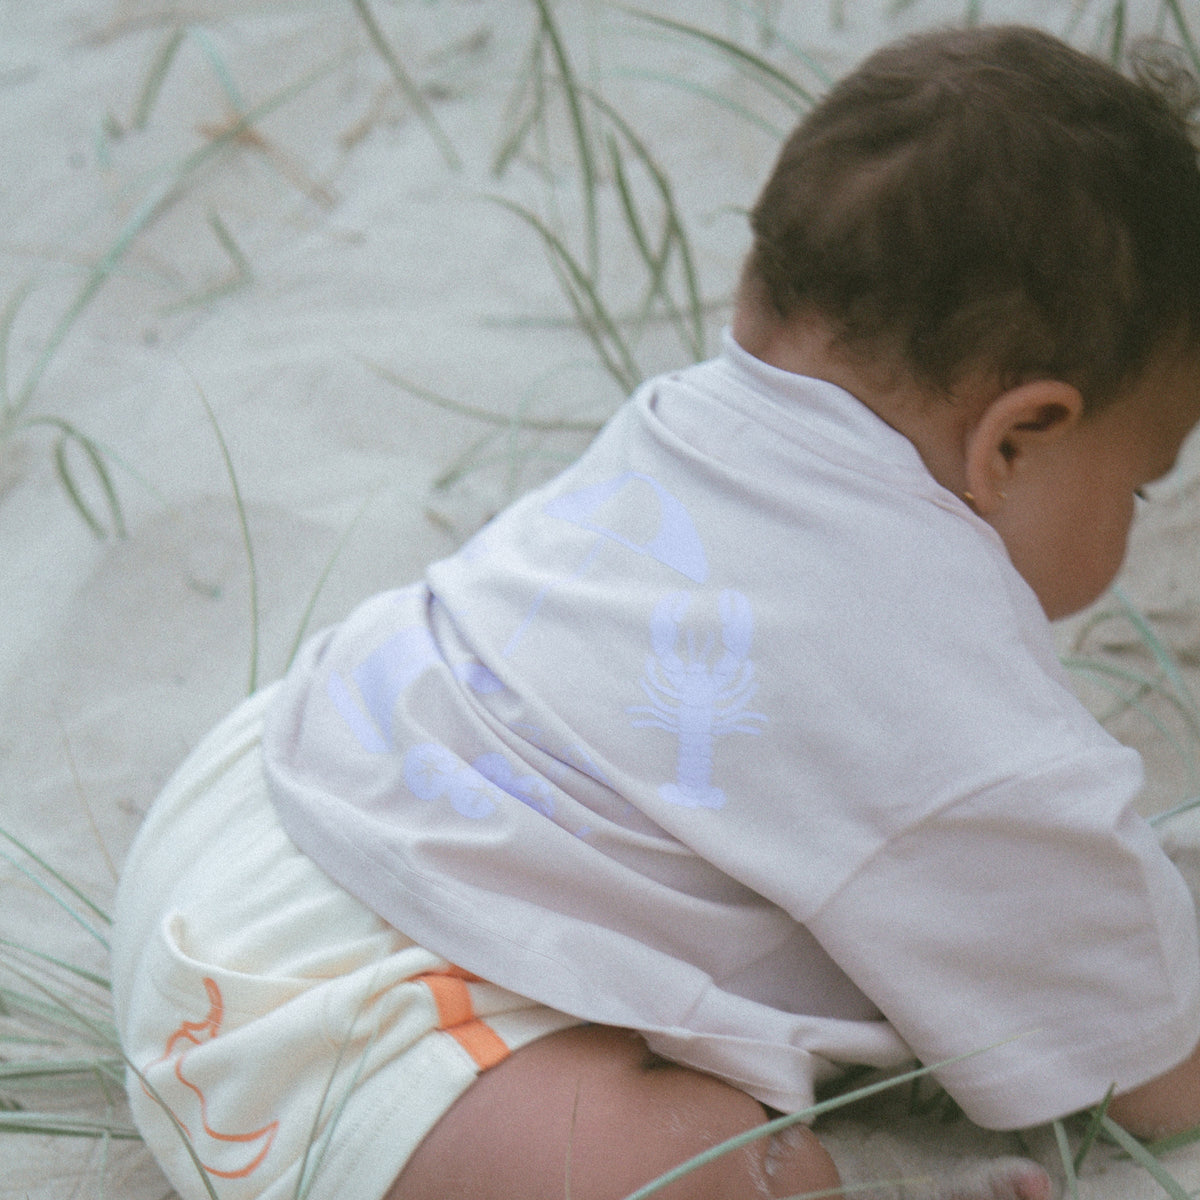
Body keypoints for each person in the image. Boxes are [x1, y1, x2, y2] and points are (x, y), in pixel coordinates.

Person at [112, 24, 1200, 1200]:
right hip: (362, 1010)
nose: (1134, 518)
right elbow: (1148, 1066)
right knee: (697, 1171)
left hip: (255, 816)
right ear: (1019, 439)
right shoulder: (928, 676)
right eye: (1138, 483)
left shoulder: (693, 418)